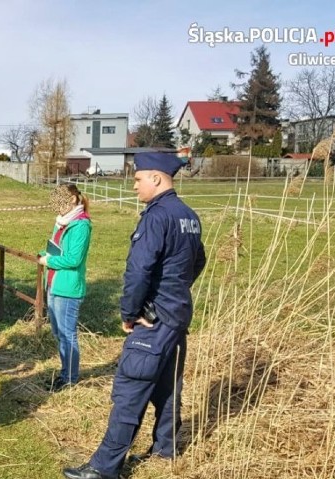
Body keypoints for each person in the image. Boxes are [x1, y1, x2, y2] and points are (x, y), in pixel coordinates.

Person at [63, 152, 206, 479]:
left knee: (130, 390)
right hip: (177, 318)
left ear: (156, 178)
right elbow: (198, 261)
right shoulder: (188, 215)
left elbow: (138, 271)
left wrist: (131, 312)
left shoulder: (156, 217)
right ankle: (165, 452)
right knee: (169, 389)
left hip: (153, 321)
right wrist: (176, 292)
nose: (134, 184)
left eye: (139, 178)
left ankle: (104, 468)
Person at [38, 184, 92, 392]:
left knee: (67, 334)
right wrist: (44, 254)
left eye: (59, 203)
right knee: (58, 333)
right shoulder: (61, 222)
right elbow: (56, 248)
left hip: (68, 288)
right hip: (53, 283)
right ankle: (64, 373)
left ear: (71, 200)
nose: (57, 208)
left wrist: (48, 261)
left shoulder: (81, 226)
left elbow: (73, 259)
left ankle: (69, 378)